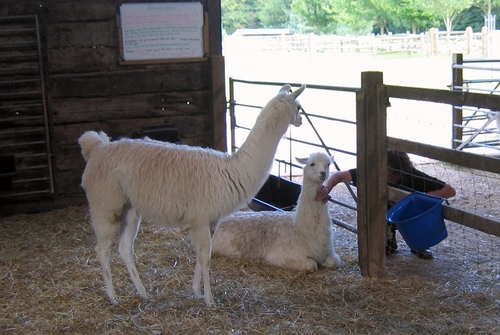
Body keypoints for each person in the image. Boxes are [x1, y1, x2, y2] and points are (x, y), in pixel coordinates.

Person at [315, 150, 456, 259]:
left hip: (409, 216)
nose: (379, 169)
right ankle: (389, 239)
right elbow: (338, 175)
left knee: (419, 210)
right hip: (384, 214)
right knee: (386, 250)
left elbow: (450, 190)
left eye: (386, 168)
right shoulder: (373, 173)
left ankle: (419, 245)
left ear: (396, 169)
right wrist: (327, 188)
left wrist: (417, 199)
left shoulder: (412, 176)